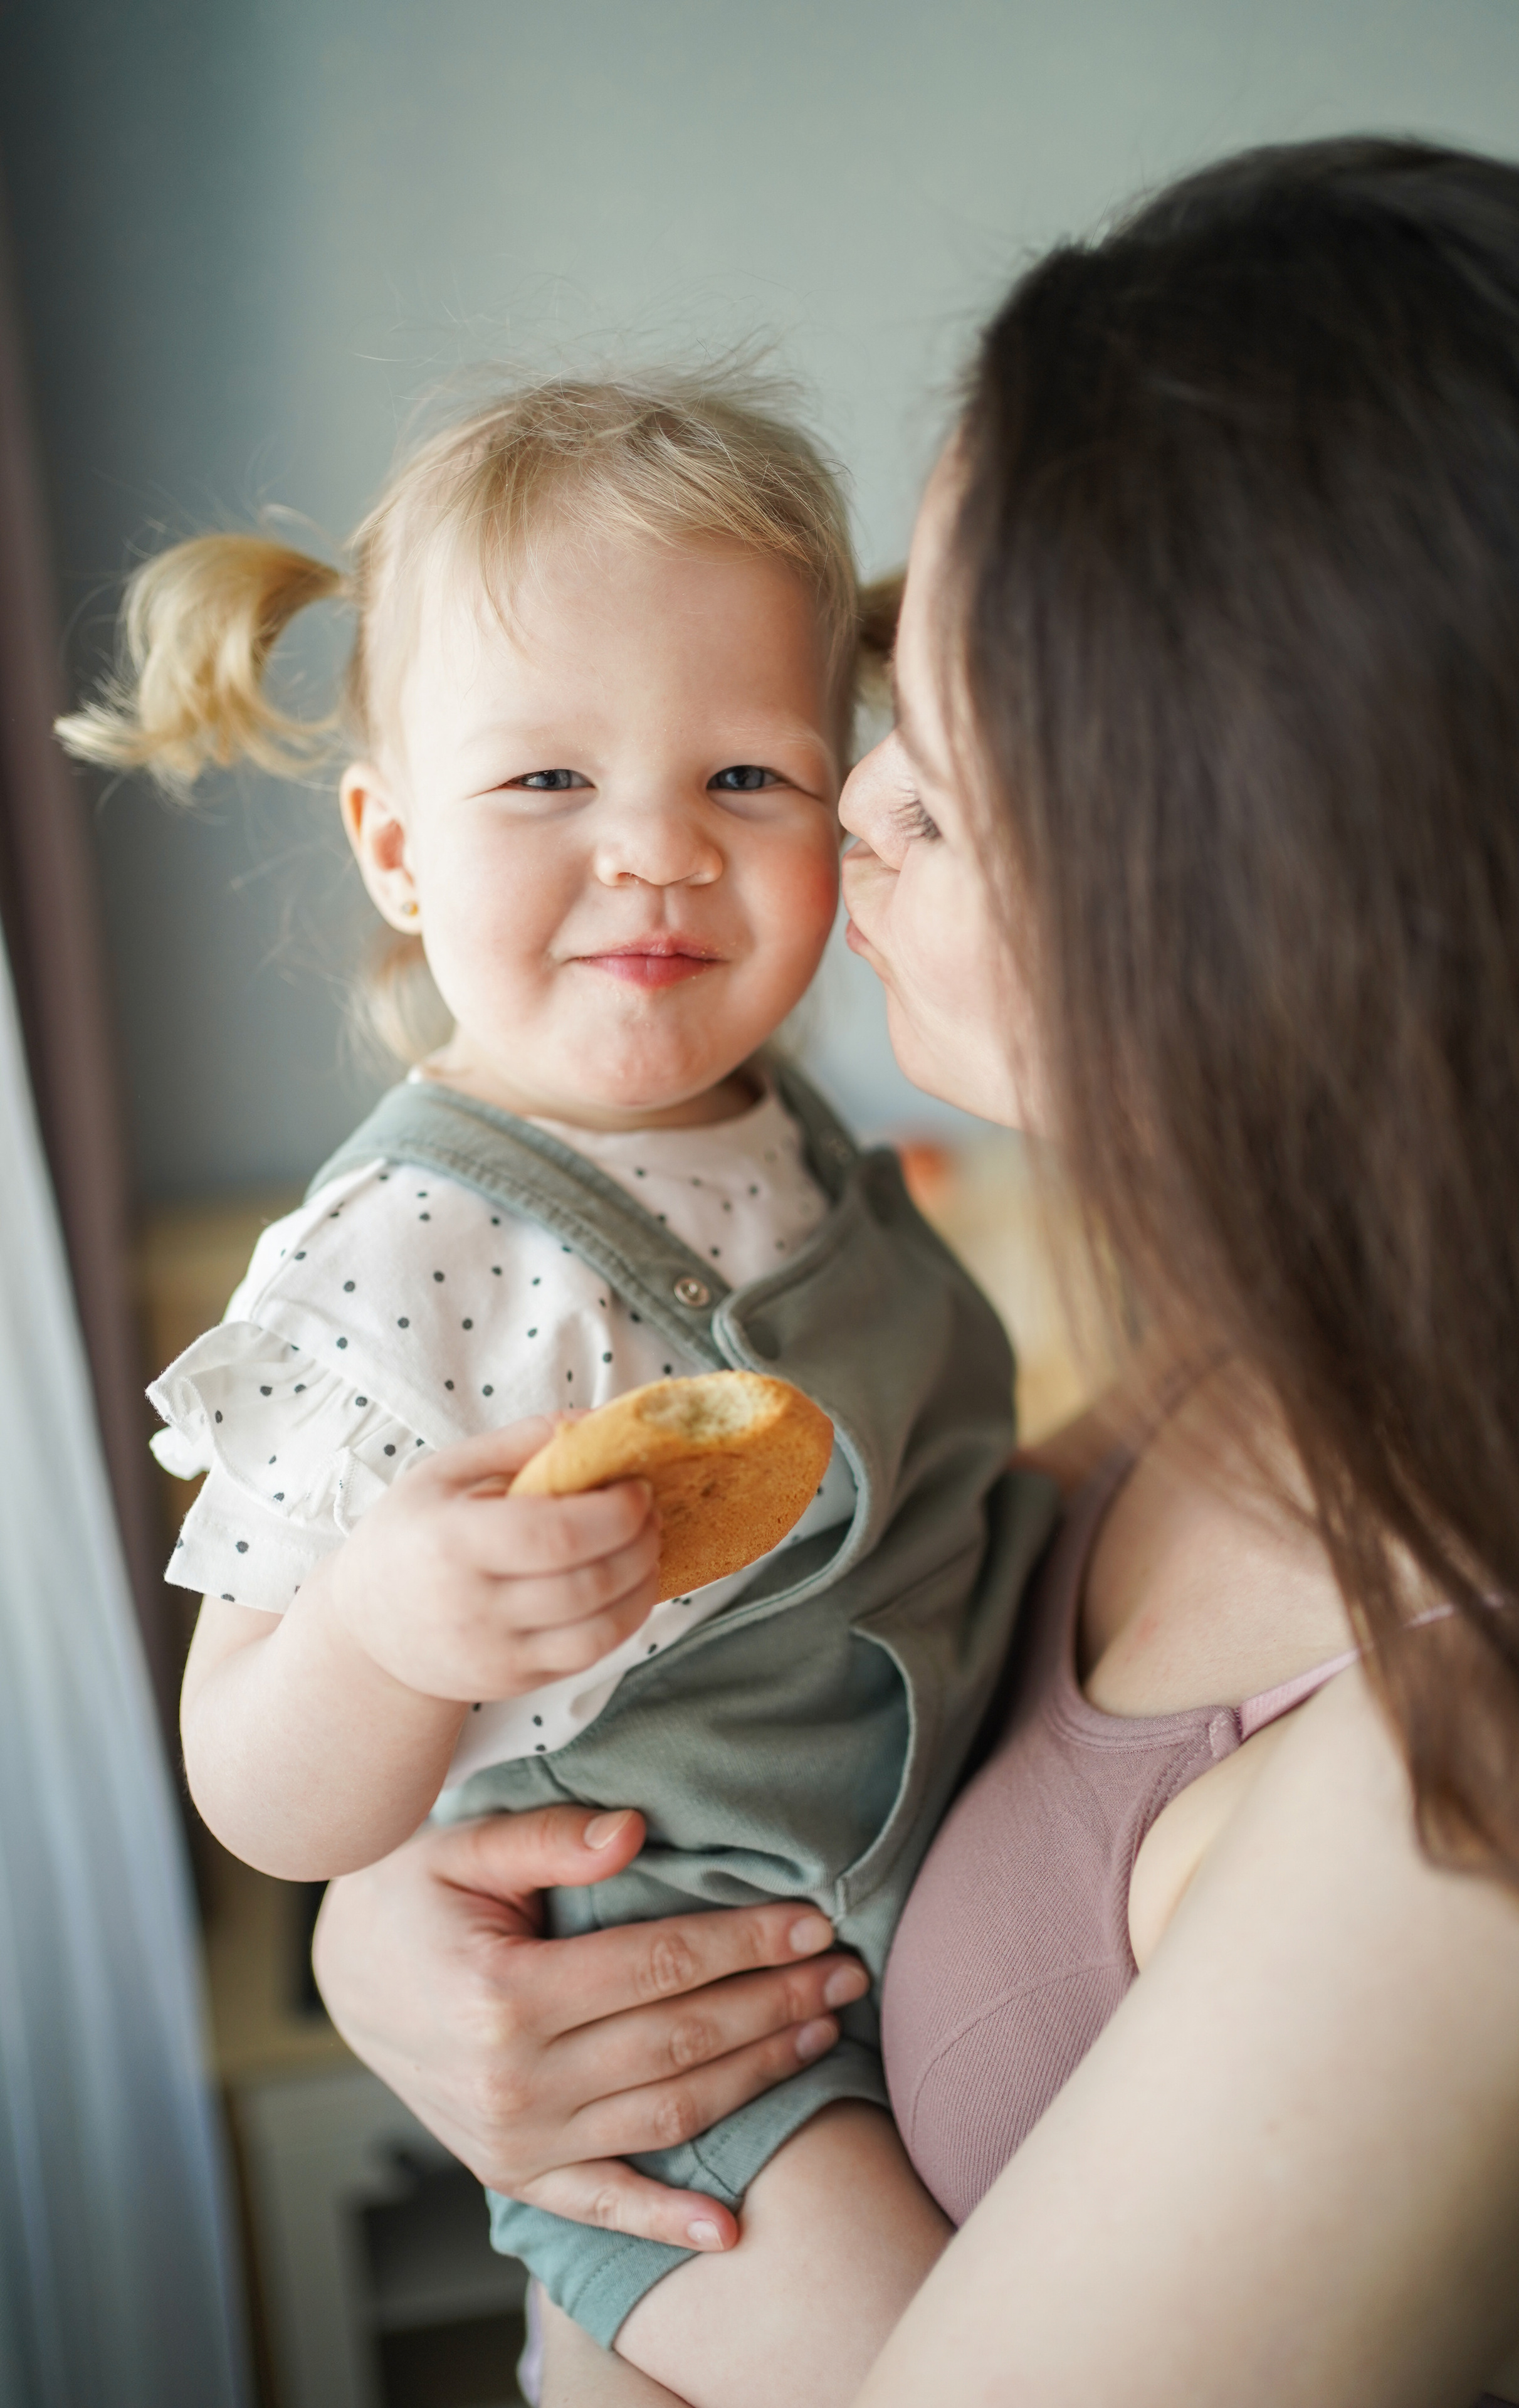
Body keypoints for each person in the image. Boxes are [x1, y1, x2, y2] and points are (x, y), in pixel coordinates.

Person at [314, 139, 1519, 2408]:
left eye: (965, 738)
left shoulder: (1481, 1810)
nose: (857, 808)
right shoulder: (1256, 1376)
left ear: (1267, 879)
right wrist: (401, 1958)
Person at [56, 378, 1056, 2399]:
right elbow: (253, 1780)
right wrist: (380, 1628)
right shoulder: (399, 1259)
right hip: (693, 2067)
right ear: (396, 846)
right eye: (547, 789)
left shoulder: (782, 1128)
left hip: (902, 1904)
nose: (660, 856)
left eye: (749, 780)